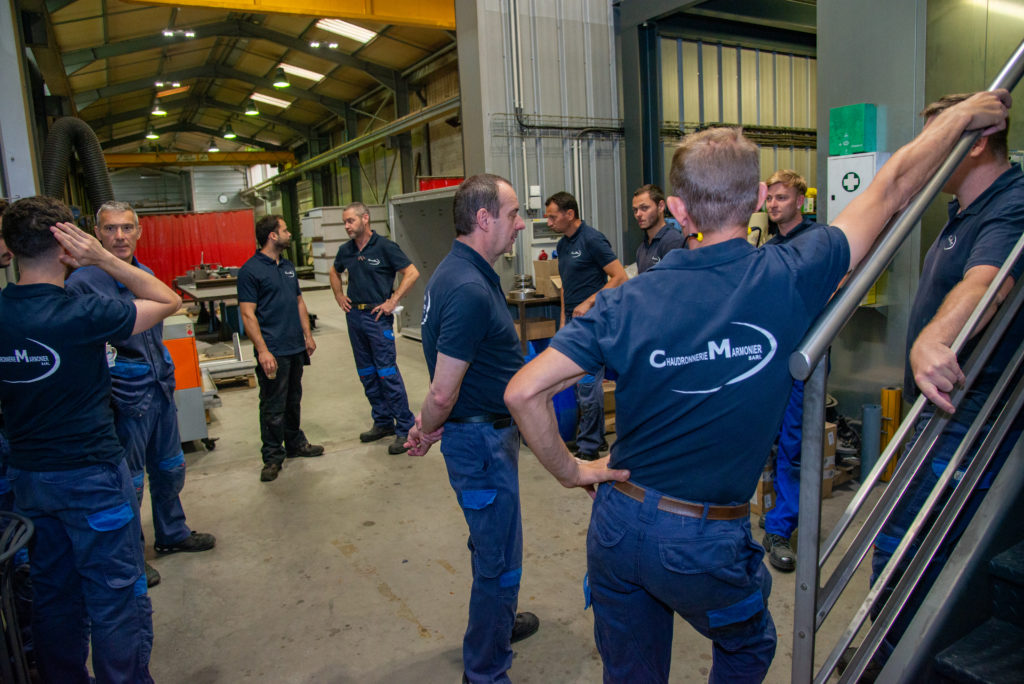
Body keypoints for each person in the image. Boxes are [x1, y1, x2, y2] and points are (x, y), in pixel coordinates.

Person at [505, 91, 1011, 682]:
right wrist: (958, 120)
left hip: (618, 521)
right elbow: (893, 186)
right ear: (753, 200)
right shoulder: (794, 272)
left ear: (676, 210)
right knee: (747, 649)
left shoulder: (624, 301)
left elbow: (522, 392)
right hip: (701, 540)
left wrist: (572, 471)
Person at [0, 196, 185, 683]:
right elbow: (169, 299)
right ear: (67, 244)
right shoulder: (82, 313)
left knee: (53, 594)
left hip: (29, 479)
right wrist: (103, 258)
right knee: (115, 594)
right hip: (91, 476)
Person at [868, 91, 1024, 658]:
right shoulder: (963, 211)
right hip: (937, 415)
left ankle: (889, 664)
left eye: (944, 137)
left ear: (979, 140)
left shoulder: (1013, 202)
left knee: (907, 553)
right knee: (896, 550)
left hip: (968, 419)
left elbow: (987, 282)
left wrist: (936, 339)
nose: (929, 153)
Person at [404, 174, 540, 683]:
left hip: (482, 436)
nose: (521, 224)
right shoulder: (465, 286)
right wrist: (427, 426)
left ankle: (496, 625)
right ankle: (484, 670)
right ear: (484, 219)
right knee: (498, 559)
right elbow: (443, 391)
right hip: (480, 442)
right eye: (513, 214)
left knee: (494, 546)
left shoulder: (465, 272)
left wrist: (430, 425)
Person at [66, 201, 216, 588]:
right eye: (111, 229)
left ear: (139, 231)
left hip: (159, 388)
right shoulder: (81, 283)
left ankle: (172, 533)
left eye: (127, 228)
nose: (119, 236)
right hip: (123, 395)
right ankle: (131, 555)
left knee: (170, 467)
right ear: (97, 233)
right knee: (128, 481)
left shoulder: (143, 274)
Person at [759, 170, 828, 573]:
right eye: (769, 199)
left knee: (795, 446)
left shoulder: (817, 243)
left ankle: (781, 527)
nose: (773, 206)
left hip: (804, 360)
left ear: (800, 201)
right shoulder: (769, 247)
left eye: (781, 198)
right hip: (770, 357)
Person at [238, 215, 324, 483]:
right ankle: (273, 456)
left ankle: (295, 444)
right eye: (285, 230)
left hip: (294, 346)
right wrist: (263, 351)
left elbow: (298, 302)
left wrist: (307, 335)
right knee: (273, 405)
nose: (289, 234)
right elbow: (248, 314)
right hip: (273, 348)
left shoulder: (287, 266)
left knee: (292, 399)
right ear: (272, 236)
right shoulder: (250, 270)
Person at [329, 202, 419, 455]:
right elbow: (334, 272)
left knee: (386, 372)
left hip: (376, 317)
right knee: (367, 372)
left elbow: (411, 273)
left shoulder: (385, 247)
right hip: (354, 317)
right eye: (345, 222)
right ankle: (382, 422)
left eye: (350, 221)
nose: (346, 226)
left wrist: (393, 301)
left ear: (365, 219)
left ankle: (405, 427)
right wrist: (338, 295)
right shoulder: (346, 250)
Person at [545, 192, 627, 460]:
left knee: (588, 386)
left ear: (570, 214)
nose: (548, 221)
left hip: (593, 324)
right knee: (579, 386)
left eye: (552, 216)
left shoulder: (592, 239)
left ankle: (589, 449)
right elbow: (565, 286)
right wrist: (562, 322)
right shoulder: (563, 244)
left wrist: (590, 302)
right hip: (572, 323)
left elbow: (620, 276)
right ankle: (594, 439)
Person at [633, 183, 685, 273]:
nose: (638, 214)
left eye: (644, 208)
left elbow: (677, 281)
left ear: (661, 206)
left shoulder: (673, 241)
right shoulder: (642, 248)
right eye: (635, 210)